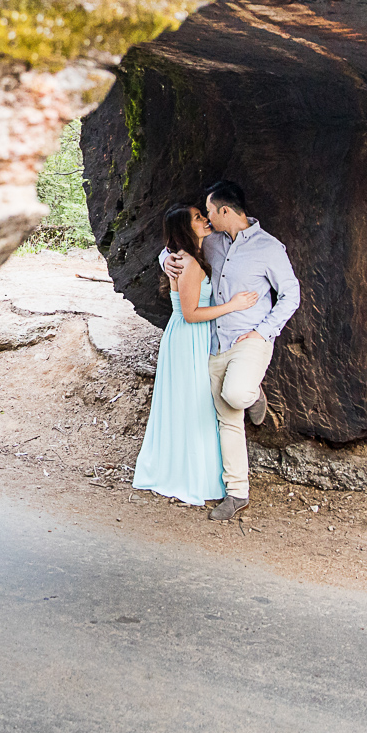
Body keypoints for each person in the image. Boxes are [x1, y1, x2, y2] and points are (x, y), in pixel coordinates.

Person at [162, 180, 300, 522]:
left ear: (225, 211)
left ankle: (252, 394)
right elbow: (177, 246)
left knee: (237, 393)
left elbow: (291, 295)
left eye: (209, 211)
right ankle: (238, 493)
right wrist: (166, 260)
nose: (206, 218)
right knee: (227, 420)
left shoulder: (269, 248)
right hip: (212, 343)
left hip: (249, 341)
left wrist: (263, 331)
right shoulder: (212, 243)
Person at [132, 202, 261, 506]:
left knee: (192, 405)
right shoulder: (189, 263)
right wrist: (233, 305)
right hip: (189, 337)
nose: (205, 219)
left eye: (204, 214)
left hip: (192, 337)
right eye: (197, 218)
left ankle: (189, 470)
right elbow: (190, 313)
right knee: (194, 406)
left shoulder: (195, 254)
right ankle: (190, 475)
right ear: (184, 229)